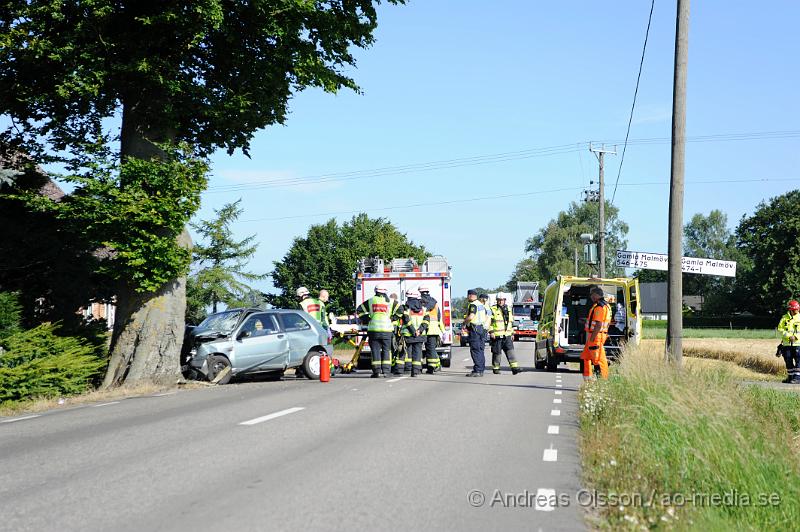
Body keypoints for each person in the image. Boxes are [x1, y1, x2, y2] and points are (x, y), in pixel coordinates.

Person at [357, 284, 402, 378]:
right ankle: (386, 371)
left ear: (376, 291)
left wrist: (368, 319)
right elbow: (400, 310)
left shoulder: (371, 300)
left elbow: (359, 310)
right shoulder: (391, 301)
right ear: (385, 291)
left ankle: (376, 372)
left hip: (374, 330)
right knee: (387, 350)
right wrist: (393, 318)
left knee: (375, 351)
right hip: (387, 330)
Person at [581, 287, 611, 380]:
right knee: (585, 357)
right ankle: (588, 380)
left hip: (596, 336)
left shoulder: (599, 307)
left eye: (591, 295)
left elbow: (598, 324)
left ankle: (602, 380)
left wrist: (592, 338)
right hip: (598, 335)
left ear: (595, 295)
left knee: (597, 360)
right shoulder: (606, 306)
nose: (591, 297)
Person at [399, 289, 430, 377]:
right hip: (420, 335)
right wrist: (419, 330)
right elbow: (427, 321)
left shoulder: (406, 308)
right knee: (418, 352)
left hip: (409, 334)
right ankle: (415, 371)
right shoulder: (424, 308)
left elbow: (406, 320)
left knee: (408, 352)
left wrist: (413, 331)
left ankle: (406, 368)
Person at [489, 294, 521, 374]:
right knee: (497, 354)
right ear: (496, 300)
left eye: (502, 300)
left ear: (505, 300)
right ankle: (496, 368)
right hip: (496, 336)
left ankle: (514, 368)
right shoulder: (492, 309)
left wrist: (513, 333)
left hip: (507, 335)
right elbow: (489, 322)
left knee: (511, 352)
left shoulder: (509, 309)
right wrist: (491, 332)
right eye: (499, 300)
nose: (500, 301)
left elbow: (511, 322)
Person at [419, 284, 444, 374]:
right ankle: (433, 366)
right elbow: (439, 316)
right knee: (431, 349)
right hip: (434, 329)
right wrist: (442, 330)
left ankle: (429, 367)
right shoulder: (434, 302)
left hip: (424, 328)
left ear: (420, 292)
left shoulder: (421, 302)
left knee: (419, 348)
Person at [464, 289, 487, 377]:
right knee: (480, 350)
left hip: (475, 330)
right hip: (481, 328)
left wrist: (464, 322)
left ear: (470, 295)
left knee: (475, 350)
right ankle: (481, 369)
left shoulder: (473, 305)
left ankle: (477, 370)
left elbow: (471, 317)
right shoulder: (481, 304)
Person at [777, 300, 800, 383]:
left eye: (797, 310)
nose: (796, 311)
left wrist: (796, 337)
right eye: (794, 310)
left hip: (798, 344)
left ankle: (797, 378)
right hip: (787, 344)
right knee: (788, 360)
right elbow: (780, 329)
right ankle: (790, 377)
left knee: (798, 360)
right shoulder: (784, 318)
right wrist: (788, 336)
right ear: (790, 309)